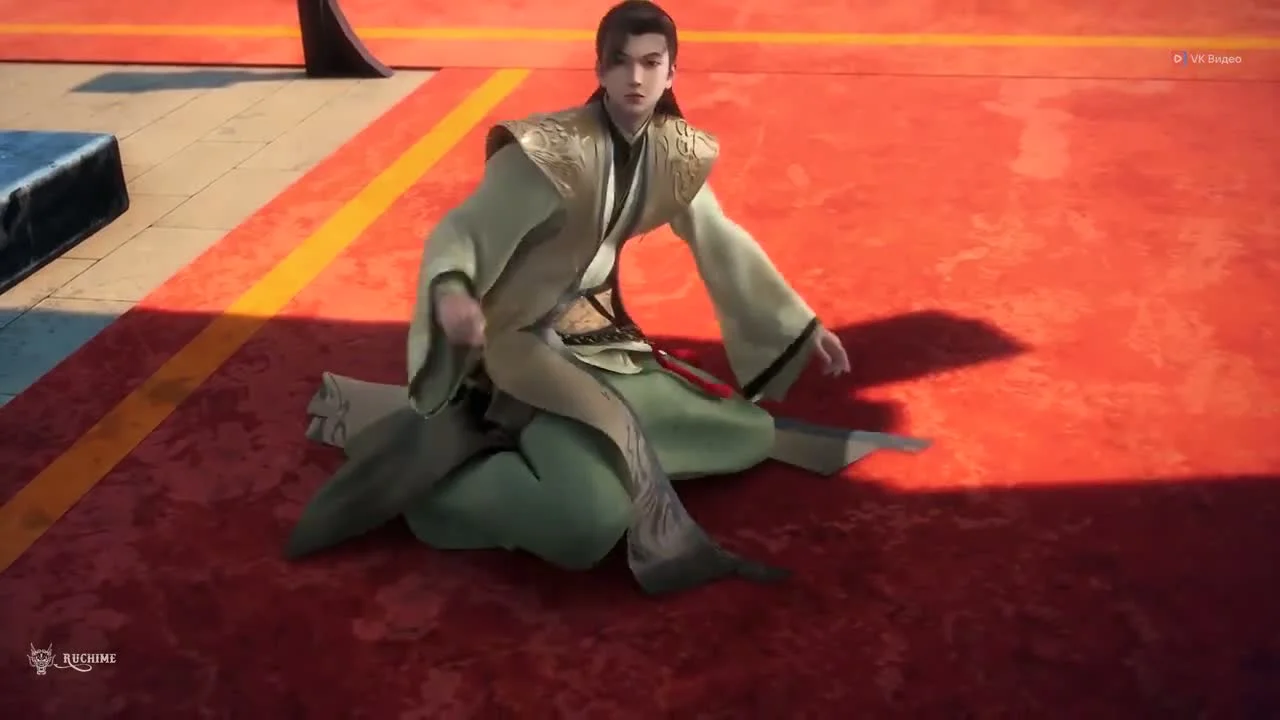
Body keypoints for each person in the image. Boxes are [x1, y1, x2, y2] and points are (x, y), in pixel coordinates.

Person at [287, 0, 928, 595]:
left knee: (746, 432)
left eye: (651, 62)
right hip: (521, 347)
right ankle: (432, 484)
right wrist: (453, 293)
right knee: (587, 522)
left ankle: (522, 438)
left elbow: (717, 234)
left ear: (672, 71)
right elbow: (462, 231)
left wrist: (800, 323)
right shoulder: (549, 153)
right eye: (620, 61)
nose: (635, 77)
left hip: (602, 344)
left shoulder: (669, 150)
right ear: (599, 69)